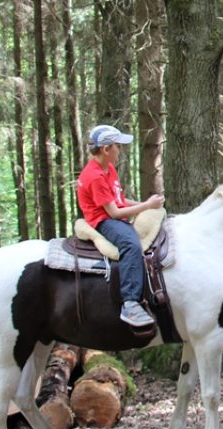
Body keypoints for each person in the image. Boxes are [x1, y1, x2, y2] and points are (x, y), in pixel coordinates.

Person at [76, 125, 165, 327]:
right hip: (104, 221)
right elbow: (113, 212)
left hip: (113, 215)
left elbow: (119, 200)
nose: (120, 150)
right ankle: (130, 303)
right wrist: (146, 205)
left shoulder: (108, 168)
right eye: (118, 145)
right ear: (106, 149)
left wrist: (147, 205)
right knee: (131, 245)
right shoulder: (94, 176)